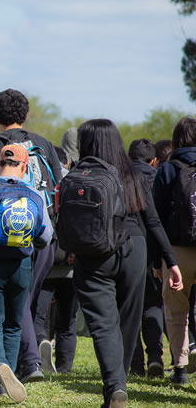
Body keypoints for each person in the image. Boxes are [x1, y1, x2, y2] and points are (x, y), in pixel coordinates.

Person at [68, 119, 181, 406]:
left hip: (94, 253)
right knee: (129, 319)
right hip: (134, 249)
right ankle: (120, 383)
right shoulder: (133, 174)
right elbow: (152, 221)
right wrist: (171, 260)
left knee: (104, 324)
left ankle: (115, 386)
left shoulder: (78, 174)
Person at [0, 88, 63, 383]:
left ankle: (29, 363)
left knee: (11, 307)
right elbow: (59, 193)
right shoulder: (45, 145)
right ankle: (24, 364)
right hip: (40, 234)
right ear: (25, 115)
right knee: (23, 301)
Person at [0, 145, 53, 402]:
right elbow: (46, 236)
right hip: (22, 265)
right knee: (13, 324)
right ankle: (2, 382)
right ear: (25, 167)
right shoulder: (34, 194)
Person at [154, 117, 196, 384]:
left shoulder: (168, 169)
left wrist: (159, 259)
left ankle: (180, 369)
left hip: (176, 251)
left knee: (176, 310)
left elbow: (156, 217)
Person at [33, 146, 78, 376]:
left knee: (38, 316)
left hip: (46, 262)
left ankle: (41, 342)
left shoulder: (41, 181)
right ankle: (65, 367)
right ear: (67, 162)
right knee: (67, 322)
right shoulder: (74, 182)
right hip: (70, 265)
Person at [126, 139, 165, 378]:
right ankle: (155, 357)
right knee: (153, 304)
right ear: (154, 161)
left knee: (129, 307)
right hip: (156, 250)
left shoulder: (122, 177)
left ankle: (136, 365)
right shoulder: (160, 176)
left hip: (129, 248)